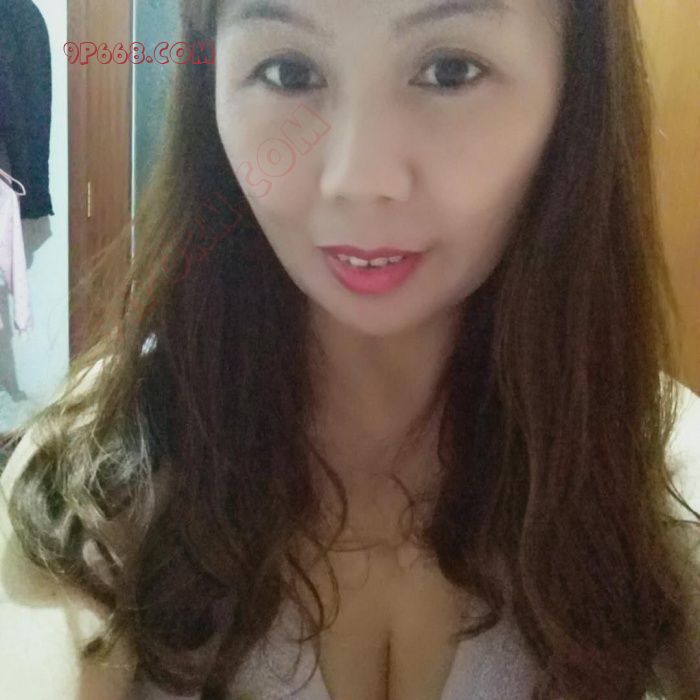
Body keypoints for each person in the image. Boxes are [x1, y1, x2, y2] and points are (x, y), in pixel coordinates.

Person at [1, 0, 700, 698]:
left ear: (573, 92)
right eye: (288, 71)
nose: (357, 179)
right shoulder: (101, 469)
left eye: (450, 70)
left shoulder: (659, 474)